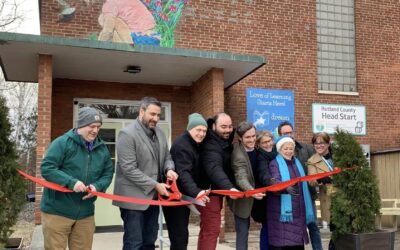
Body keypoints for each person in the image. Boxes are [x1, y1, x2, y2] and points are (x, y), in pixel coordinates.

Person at [40, 107, 114, 250]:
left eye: (98, 127)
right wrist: (71, 182)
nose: (95, 130)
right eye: (91, 126)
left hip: (85, 214)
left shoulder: (102, 148)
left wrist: (97, 186)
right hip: (57, 212)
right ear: (80, 125)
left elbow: (108, 173)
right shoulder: (62, 143)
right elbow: (47, 168)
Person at [113, 97, 178, 250]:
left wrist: (169, 169)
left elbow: (167, 157)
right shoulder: (126, 134)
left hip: (152, 199)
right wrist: (155, 185)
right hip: (132, 200)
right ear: (141, 111)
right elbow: (129, 169)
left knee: (149, 242)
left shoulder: (160, 133)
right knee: (134, 244)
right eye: (152, 114)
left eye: (158, 115)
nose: (155, 119)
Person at [163, 113, 210, 250]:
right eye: (198, 130)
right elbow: (183, 173)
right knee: (179, 238)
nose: (201, 134)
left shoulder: (194, 143)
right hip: (174, 198)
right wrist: (197, 191)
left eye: (204, 131)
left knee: (182, 236)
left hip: (183, 196)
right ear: (190, 129)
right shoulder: (182, 145)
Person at [277, 121, 323, 250]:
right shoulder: (278, 152)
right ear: (280, 135)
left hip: (308, 195)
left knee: (313, 225)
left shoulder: (306, 148)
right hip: (289, 198)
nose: (289, 135)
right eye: (286, 133)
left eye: (291, 132)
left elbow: (317, 162)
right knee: (293, 228)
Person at [197, 112, 239, 250]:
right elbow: (214, 168)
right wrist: (229, 187)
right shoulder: (211, 144)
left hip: (216, 191)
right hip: (210, 193)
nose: (228, 130)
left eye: (230, 126)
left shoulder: (224, 141)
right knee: (212, 229)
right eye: (223, 127)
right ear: (214, 126)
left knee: (208, 230)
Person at [267, 136, 315, 250]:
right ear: (279, 150)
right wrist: (285, 188)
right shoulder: (275, 163)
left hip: (299, 208)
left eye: (291, 148)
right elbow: (275, 180)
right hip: (282, 210)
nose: (289, 151)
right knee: (284, 241)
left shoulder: (297, 163)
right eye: (285, 149)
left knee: (297, 241)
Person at [229, 122, 265, 250]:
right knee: (242, 234)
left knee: (267, 227)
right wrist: (251, 190)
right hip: (243, 200)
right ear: (240, 138)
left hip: (260, 197)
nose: (252, 139)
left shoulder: (258, 149)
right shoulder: (238, 155)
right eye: (247, 137)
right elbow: (241, 176)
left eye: (253, 136)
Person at [254, 130, 277, 250]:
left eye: (269, 141)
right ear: (258, 144)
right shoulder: (260, 157)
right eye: (264, 143)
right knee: (267, 228)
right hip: (264, 199)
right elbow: (264, 175)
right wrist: (274, 184)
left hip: (276, 196)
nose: (268, 144)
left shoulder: (276, 153)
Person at [307, 132, 334, 229]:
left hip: (344, 196)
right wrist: (320, 178)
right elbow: (311, 180)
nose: (319, 146)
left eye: (322, 142)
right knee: (335, 229)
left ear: (328, 143)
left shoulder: (338, 156)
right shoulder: (312, 161)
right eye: (316, 143)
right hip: (329, 196)